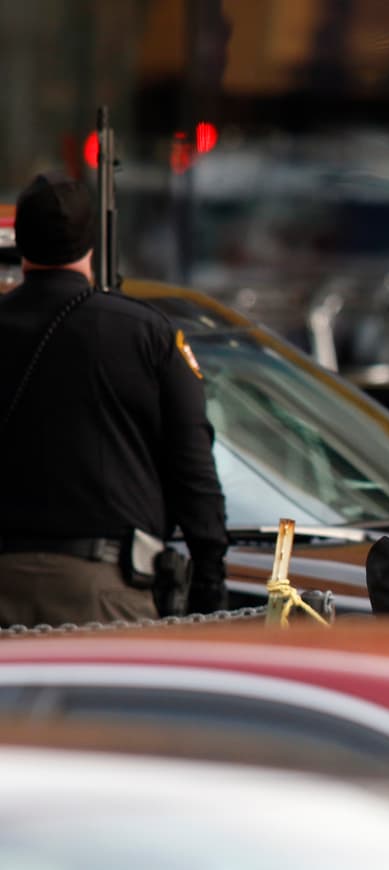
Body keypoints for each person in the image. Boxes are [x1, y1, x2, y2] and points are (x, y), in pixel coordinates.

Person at [0, 172, 228, 625]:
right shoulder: (143, 332)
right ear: (92, 242)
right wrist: (209, 574)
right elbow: (191, 463)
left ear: (20, 243)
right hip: (103, 590)